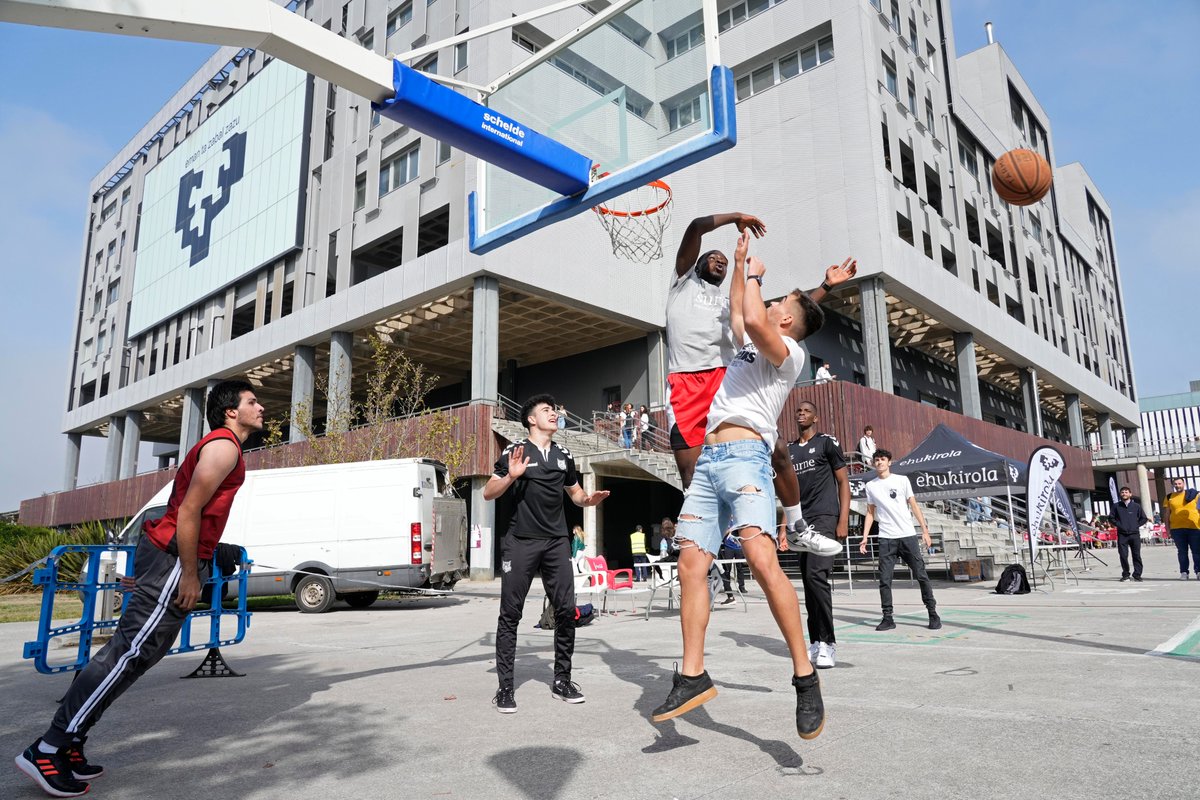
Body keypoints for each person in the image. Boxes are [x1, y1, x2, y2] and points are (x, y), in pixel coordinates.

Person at [16, 380, 263, 798]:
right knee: (128, 652)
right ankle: (48, 747)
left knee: (137, 655)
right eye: (252, 401)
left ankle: (71, 743)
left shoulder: (227, 448)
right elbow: (187, 510)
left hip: (170, 558)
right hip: (174, 559)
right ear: (230, 412)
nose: (260, 407)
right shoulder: (223, 447)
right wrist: (187, 572)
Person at [652, 232, 839, 740]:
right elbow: (741, 316)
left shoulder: (791, 355)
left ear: (786, 322)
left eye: (781, 302)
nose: (772, 302)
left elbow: (754, 315)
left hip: (745, 457)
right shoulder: (753, 348)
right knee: (691, 561)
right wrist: (738, 266)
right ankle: (693, 674)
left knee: (760, 558)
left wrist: (755, 276)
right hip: (711, 458)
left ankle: (805, 676)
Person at [486, 394, 609, 714]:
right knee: (510, 614)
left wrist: (588, 500)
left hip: (556, 542)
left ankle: (562, 680)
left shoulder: (563, 454)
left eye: (554, 410)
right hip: (520, 542)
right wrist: (511, 476)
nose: (553, 414)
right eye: (546, 411)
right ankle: (505, 688)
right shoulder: (514, 451)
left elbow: (576, 494)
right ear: (531, 419)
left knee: (567, 611)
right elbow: (488, 492)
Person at [787, 401, 851, 668]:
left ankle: (828, 642)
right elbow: (787, 492)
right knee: (808, 583)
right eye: (798, 411)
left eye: (806, 410)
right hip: (800, 522)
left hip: (825, 518)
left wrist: (843, 519)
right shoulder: (789, 450)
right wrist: (785, 526)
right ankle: (815, 641)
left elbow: (843, 481)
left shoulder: (827, 443)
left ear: (816, 416)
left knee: (816, 575)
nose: (801, 413)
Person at [858, 448, 941, 631]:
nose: (879, 462)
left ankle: (932, 613)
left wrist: (925, 531)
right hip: (886, 538)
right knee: (884, 580)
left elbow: (914, 505)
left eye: (882, 459)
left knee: (921, 575)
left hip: (907, 535)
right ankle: (888, 618)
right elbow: (870, 512)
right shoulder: (871, 485)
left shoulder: (902, 481)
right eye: (876, 460)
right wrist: (864, 537)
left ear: (889, 462)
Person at [1163, 477, 1200, 580]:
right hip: (1177, 529)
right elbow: (1167, 514)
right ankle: (1184, 572)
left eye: (1179, 483)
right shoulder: (1169, 497)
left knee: (1197, 551)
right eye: (1175, 484)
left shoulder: (1194, 495)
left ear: (1184, 483)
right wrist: (1167, 529)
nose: (1177, 486)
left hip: (1194, 528)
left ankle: (1198, 571)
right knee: (1182, 552)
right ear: (1173, 485)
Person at [1112, 486, 1148, 582]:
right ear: (1120, 494)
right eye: (1122, 492)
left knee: (1136, 555)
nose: (1124, 494)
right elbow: (1111, 518)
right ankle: (1126, 574)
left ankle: (1137, 574)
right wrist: (1119, 525)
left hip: (1134, 534)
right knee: (1123, 555)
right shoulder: (1116, 506)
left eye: (1126, 492)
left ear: (1130, 494)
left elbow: (1144, 518)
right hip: (1122, 535)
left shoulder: (1136, 506)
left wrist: (1136, 525)